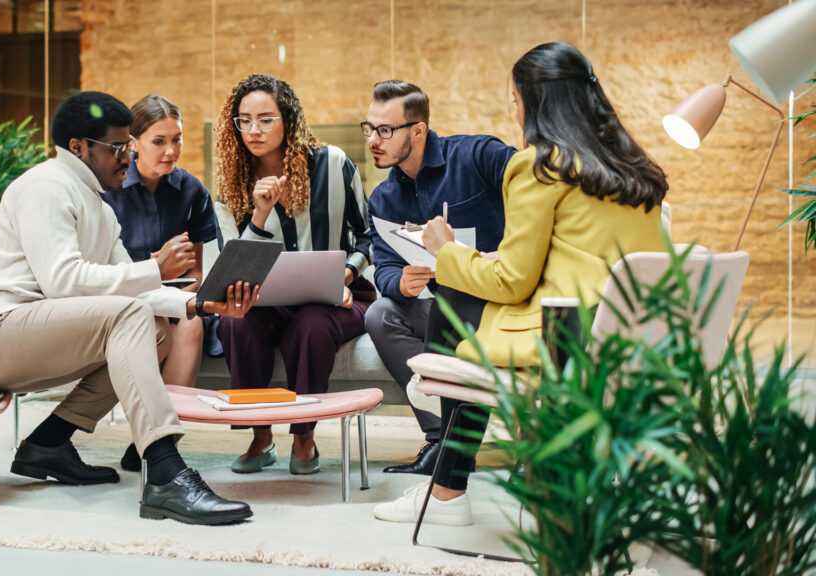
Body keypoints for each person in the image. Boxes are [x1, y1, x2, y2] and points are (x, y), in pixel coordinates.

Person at [373, 42, 669, 526]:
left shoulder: (538, 167)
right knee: (465, 295)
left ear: (535, 103)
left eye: (513, 100)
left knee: (453, 298)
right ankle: (464, 485)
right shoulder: (637, 171)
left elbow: (512, 282)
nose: (513, 112)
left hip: (566, 339)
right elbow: (581, 254)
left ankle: (447, 492)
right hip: (633, 339)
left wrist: (446, 251)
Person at [0, 91, 258, 526]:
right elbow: (63, 282)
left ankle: (49, 444)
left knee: (153, 330)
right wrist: (153, 267)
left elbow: (133, 293)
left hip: (29, 335)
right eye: (117, 148)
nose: (127, 158)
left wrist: (200, 303)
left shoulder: (98, 206)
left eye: (128, 147)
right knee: (131, 317)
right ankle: (166, 473)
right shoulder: (46, 186)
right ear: (78, 147)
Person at [213, 74, 374, 475]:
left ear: (287, 119)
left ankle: (304, 438)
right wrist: (260, 213)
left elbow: (369, 236)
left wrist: (347, 276)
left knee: (312, 324)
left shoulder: (334, 164)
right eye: (244, 120)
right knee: (235, 325)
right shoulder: (231, 185)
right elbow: (234, 265)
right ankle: (260, 435)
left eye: (266, 119)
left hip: (337, 298)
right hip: (270, 304)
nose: (253, 130)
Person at [362, 80, 515, 476]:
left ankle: (508, 443)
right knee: (381, 312)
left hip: (500, 305)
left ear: (418, 130)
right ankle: (439, 439)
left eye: (385, 130)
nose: (373, 140)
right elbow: (386, 268)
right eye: (370, 128)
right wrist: (401, 283)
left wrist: (494, 254)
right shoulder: (382, 199)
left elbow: (534, 188)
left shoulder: (478, 155)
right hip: (441, 308)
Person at [101, 94, 218, 473]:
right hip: (120, 298)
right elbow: (98, 271)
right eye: (159, 141)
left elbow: (194, 275)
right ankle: (156, 444)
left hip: (172, 300)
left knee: (191, 321)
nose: (171, 151)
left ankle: (153, 444)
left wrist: (183, 298)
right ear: (132, 143)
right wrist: (153, 274)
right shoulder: (107, 192)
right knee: (151, 324)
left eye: (177, 139)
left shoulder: (192, 191)